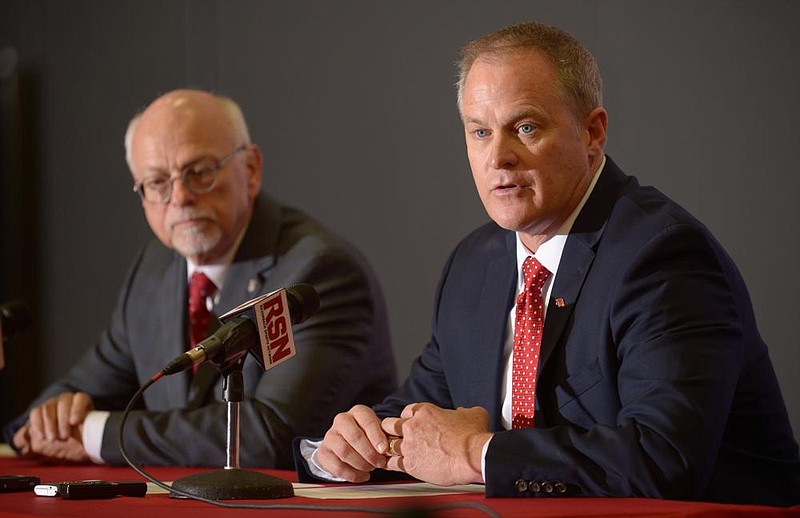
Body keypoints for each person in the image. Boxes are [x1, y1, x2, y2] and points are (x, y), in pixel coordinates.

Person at [296, 21, 800, 506]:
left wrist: (477, 453)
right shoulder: (475, 264)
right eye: (479, 132)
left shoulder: (661, 256)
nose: (498, 157)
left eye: (526, 127)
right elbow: (428, 417)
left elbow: (664, 457)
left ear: (592, 133)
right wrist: (346, 449)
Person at [4, 89, 397, 469]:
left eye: (200, 172)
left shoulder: (317, 270)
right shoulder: (156, 269)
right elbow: (74, 392)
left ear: (251, 169)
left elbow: (269, 435)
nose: (180, 198)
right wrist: (48, 421)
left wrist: (94, 433)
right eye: (158, 182)